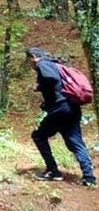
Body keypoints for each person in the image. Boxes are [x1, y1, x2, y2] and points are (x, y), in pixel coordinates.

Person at [27, 47, 96, 186]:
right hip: (71, 108)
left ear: (34, 56)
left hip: (60, 109)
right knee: (75, 142)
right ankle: (89, 178)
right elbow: (57, 87)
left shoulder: (43, 63)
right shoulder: (57, 65)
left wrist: (38, 86)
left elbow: (50, 79)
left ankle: (53, 171)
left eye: (29, 60)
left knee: (38, 135)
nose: (30, 64)